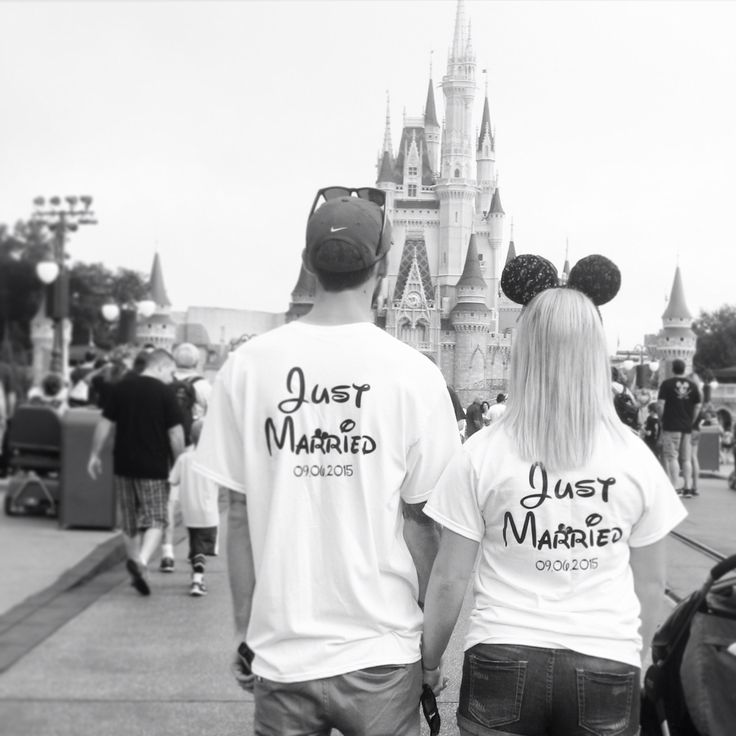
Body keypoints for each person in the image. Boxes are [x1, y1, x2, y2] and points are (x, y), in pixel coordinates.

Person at [193, 185, 460, 735]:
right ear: (383, 266)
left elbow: (238, 516)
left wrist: (247, 633)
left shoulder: (247, 367)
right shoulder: (415, 375)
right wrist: (430, 656)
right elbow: (425, 526)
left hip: (282, 653)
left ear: (307, 264)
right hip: (382, 654)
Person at [420, 258, 686, 736]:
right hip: (604, 660)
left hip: (501, 654)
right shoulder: (635, 458)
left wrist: (429, 661)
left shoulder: (483, 452)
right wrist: (641, 663)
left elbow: (449, 577)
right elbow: (652, 586)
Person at [87, 348, 185, 596]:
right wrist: (179, 463)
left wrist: (94, 455)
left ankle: (136, 566)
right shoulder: (166, 393)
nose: (172, 378)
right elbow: (175, 434)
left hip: (123, 463)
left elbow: (105, 423)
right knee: (156, 517)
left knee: (129, 519)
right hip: (152, 466)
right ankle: (140, 562)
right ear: (160, 367)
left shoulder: (122, 388)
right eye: (171, 372)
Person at [160, 342, 213, 572]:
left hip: (164, 447)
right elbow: (213, 419)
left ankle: (167, 550)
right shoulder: (203, 386)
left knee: (168, 501)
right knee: (197, 502)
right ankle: (197, 548)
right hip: (192, 449)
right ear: (197, 361)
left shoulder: (164, 384)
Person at [168, 420, 219, 597]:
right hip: (209, 511)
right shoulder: (214, 459)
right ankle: (197, 580)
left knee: (196, 544)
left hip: (189, 512)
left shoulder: (184, 459)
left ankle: (197, 573)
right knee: (202, 547)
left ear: (191, 437)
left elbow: (173, 480)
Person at [657, 358, 702, 497]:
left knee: (672, 457)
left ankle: (674, 487)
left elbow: (660, 405)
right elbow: (698, 406)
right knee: (687, 458)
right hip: (687, 427)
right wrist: (691, 420)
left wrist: (662, 419)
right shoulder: (693, 386)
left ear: (672, 369)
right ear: (684, 369)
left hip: (671, 425)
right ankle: (688, 487)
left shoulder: (666, 384)